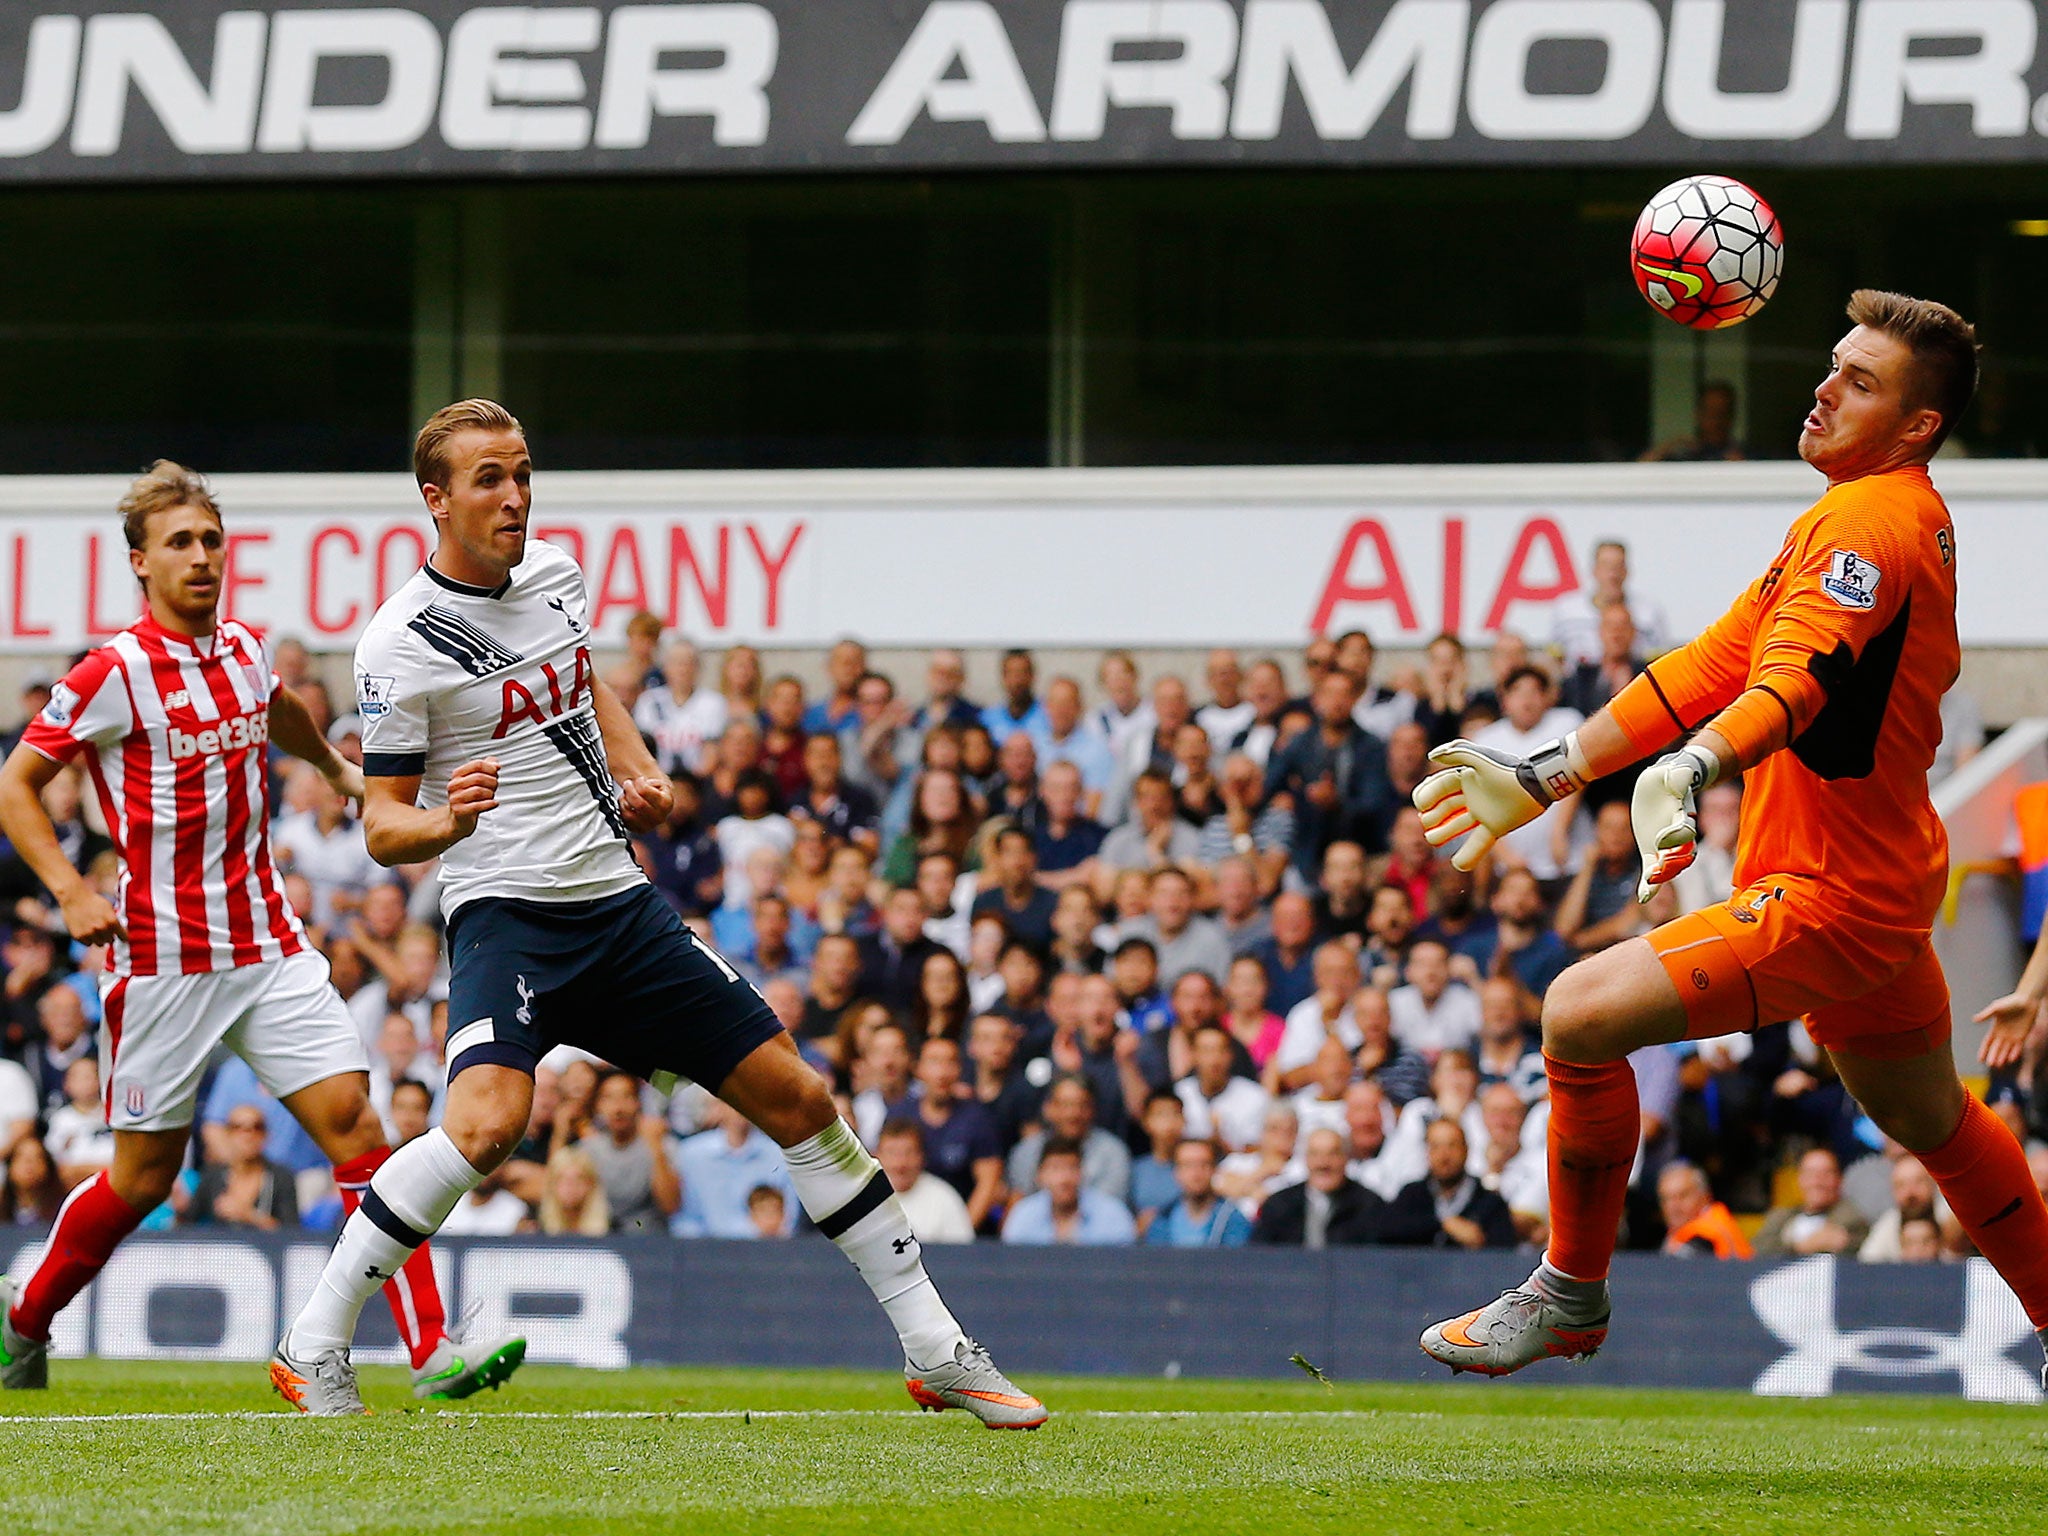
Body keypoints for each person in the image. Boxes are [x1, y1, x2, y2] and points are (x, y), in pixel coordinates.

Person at [278, 401, 1039, 1425]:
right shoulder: (400, 644)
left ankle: (936, 1351)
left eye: (522, 472)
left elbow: (589, 691)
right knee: (488, 1125)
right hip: (509, 916)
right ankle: (315, 1342)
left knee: (802, 1101)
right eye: (489, 479)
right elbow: (380, 827)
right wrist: (446, 822)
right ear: (435, 498)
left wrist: (644, 779)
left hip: (620, 908)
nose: (514, 495)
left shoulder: (555, 579)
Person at [1416, 295, 2048, 1379]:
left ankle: (1567, 1292)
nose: (1821, 387)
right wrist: (1550, 772)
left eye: (1858, 382)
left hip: (1826, 896)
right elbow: (1715, 664)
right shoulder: (1855, 515)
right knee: (1931, 1118)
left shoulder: (1868, 525)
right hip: (1880, 884)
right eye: (1830, 366)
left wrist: (1699, 764)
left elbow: (1794, 684)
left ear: (1915, 427)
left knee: (1572, 1014)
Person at [0, 461, 504, 1403]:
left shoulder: (242, 650)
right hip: (160, 962)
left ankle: (432, 1352)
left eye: (211, 539)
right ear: (140, 563)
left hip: (267, 944)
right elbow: (15, 784)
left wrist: (341, 772)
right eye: (180, 542)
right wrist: (69, 889)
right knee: (142, 1180)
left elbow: (279, 712)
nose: (201, 556)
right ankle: (25, 1312)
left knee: (358, 1127)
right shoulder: (114, 673)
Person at [671, 1098, 797, 1239]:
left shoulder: (779, 1156)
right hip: (703, 1252)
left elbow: (789, 1219)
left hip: (763, 1250)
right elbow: (684, 1219)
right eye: (732, 1101)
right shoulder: (691, 1153)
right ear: (717, 1106)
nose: (739, 1109)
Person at [1381, 1119, 1517, 1249]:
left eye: (1452, 1146)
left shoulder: (1490, 1202)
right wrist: (1443, 1224)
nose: (1444, 1156)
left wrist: (1478, 1240)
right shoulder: (1411, 1195)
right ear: (1427, 1153)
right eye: (1436, 1147)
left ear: (1466, 1150)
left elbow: (1503, 1251)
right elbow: (1387, 1232)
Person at [578, 1070, 681, 1234]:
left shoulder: (662, 1144)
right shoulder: (587, 1150)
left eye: (626, 1097)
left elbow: (671, 1206)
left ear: (638, 1103)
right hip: (600, 1242)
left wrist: (655, 1147)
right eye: (608, 1098)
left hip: (651, 1242)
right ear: (597, 1105)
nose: (618, 1108)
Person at [1547, 538, 1673, 667]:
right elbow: (1554, 658)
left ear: (1627, 571)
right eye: (1606, 566)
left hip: (1635, 681)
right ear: (1594, 570)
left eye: (1618, 566)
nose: (1612, 574)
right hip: (1578, 684)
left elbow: (1660, 659)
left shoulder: (1649, 612)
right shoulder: (1566, 610)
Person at [1251, 1128, 1381, 1247]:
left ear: (1346, 1158)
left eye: (1333, 1154)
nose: (1323, 1163)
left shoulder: (1369, 1207)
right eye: (1315, 1154)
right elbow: (1258, 1257)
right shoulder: (1279, 1206)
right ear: (1305, 1159)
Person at [1000, 1137, 1134, 1246]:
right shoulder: (1024, 1213)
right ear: (1039, 1175)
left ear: (1082, 1173)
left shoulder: (1112, 1213)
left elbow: (1124, 1265)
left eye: (1072, 1168)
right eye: (1055, 1169)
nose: (1064, 1179)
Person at [190, 1107, 300, 1230]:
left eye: (257, 1127)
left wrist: (249, 1216)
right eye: (238, 1127)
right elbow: (187, 1222)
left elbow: (292, 1233)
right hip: (223, 1248)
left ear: (266, 1135)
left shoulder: (281, 1177)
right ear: (227, 1134)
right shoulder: (213, 1175)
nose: (248, 1135)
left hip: (266, 1247)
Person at [634, 637, 728, 778]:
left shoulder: (713, 703)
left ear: (698, 667)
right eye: (676, 663)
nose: (683, 669)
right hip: (655, 779)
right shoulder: (648, 701)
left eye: (688, 663)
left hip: (697, 783)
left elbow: (711, 754)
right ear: (665, 667)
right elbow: (642, 750)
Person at [1753, 1147, 1871, 1258]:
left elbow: (1862, 1253)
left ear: (1839, 1180)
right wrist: (1802, 1247)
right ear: (1800, 1179)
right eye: (1810, 1174)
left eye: (1826, 1174)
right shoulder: (1780, 1216)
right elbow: (1758, 1252)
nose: (1817, 1182)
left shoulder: (1852, 1219)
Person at [875, 1117, 975, 1245]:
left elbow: (962, 1254)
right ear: (876, 1156)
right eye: (892, 1153)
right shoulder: (862, 1199)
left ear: (922, 1156)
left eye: (908, 1153)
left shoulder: (945, 1198)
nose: (900, 1164)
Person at [1145, 1138, 1253, 1247]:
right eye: (1188, 1165)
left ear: (1214, 1169)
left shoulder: (1233, 1220)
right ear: (1176, 1172)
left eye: (1204, 1164)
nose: (1196, 1174)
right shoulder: (1162, 1220)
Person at [1656, 1162, 1752, 1260]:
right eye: (1666, 1199)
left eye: (1683, 1196)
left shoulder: (1705, 1235)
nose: (1674, 1206)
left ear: (1705, 1197)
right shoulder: (1686, 1228)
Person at [1639, 379, 1746, 464]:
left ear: (1732, 416)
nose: (1717, 421)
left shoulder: (1745, 454)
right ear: (1698, 415)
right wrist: (1673, 444)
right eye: (1710, 412)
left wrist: (1742, 469)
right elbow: (1638, 471)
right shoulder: (1686, 454)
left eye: (1722, 413)